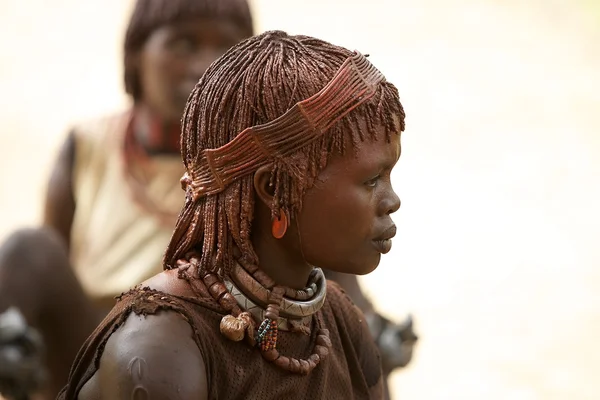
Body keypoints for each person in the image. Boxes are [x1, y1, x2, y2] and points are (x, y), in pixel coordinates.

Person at [59, 30, 407, 399]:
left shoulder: (339, 321)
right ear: (273, 189)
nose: (393, 200)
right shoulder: (160, 350)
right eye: (371, 180)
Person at [0, 0, 253, 397]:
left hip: (200, 360)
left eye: (227, 47)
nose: (208, 63)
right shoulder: (87, 146)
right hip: (85, 358)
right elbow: (52, 272)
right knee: (28, 251)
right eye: (184, 44)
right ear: (136, 55)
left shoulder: (257, 161)